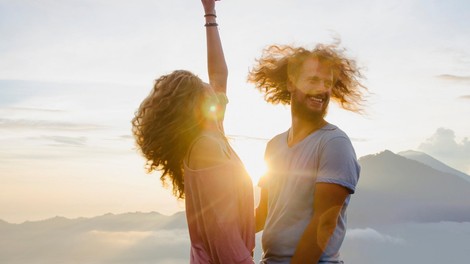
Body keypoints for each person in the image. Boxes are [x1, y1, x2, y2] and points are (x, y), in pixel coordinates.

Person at [131, 1, 255, 263]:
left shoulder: (214, 131)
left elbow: (219, 74)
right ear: (194, 106)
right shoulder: (205, 148)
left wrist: (209, 12)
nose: (211, 85)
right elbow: (223, 235)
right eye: (202, 85)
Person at [248, 43, 367, 263]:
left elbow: (324, 223)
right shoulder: (274, 146)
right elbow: (264, 213)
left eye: (327, 83)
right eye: (313, 80)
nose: (322, 89)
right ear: (291, 83)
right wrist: (219, 230)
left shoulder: (334, 143)